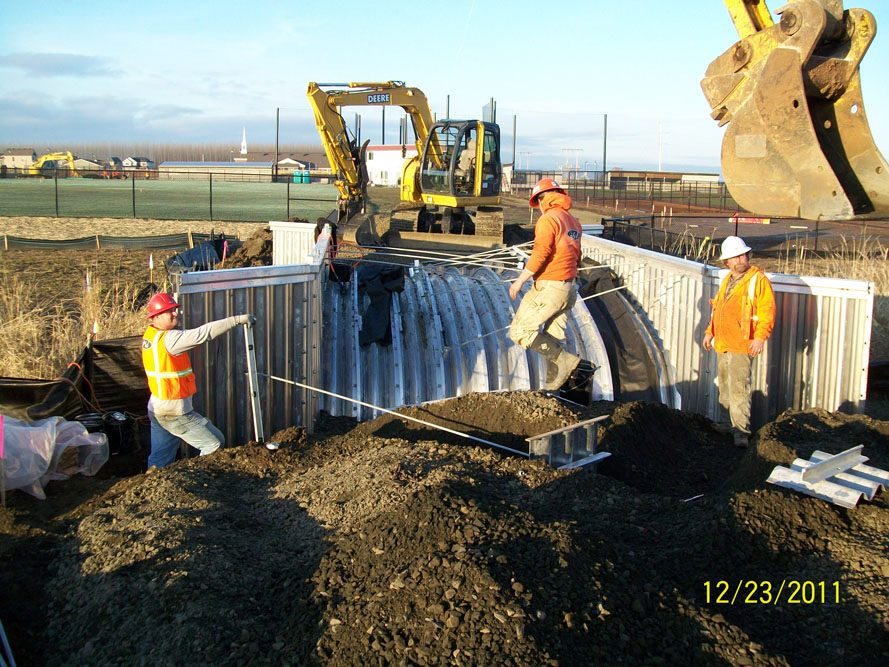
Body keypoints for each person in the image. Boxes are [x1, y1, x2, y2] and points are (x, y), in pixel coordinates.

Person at [141, 293, 255, 469]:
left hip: (157, 408)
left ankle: (153, 488)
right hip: (174, 412)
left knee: (160, 459)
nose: (175, 314)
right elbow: (204, 333)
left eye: (175, 310)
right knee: (214, 443)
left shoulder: (150, 336)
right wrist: (236, 320)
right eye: (169, 311)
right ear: (156, 317)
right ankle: (198, 479)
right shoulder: (170, 339)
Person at [508, 178, 590, 391]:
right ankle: (556, 387)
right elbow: (577, 255)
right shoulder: (573, 222)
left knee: (520, 331)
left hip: (551, 286)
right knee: (553, 338)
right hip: (568, 288)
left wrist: (519, 282)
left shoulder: (548, 220)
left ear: (542, 200)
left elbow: (541, 254)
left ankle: (569, 364)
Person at [703, 236, 776, 447]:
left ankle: (741, 432)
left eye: (742, 255)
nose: (740, 260)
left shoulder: (757, 280)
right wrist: (710, 332)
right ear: (727, 262)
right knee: (725, 387)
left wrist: (760, 337)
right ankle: (727, 424)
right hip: (724, 343)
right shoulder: (728, 280)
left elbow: (767, 312)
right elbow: (719, 309)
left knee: (739, 390)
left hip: (742, 344)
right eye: (735, 257)